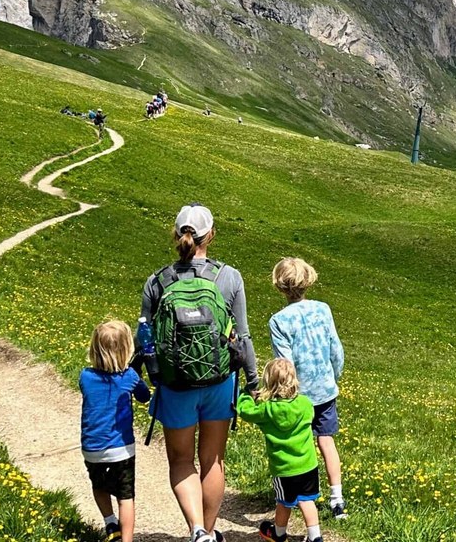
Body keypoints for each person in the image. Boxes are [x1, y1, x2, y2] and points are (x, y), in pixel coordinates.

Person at [141, 204, 258, 542]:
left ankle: (195, 530)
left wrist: (155, 375)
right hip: (219, 381)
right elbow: (244, 336)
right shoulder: (229, 277)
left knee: (180, 459)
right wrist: (252, 381)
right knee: (212, 460)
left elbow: (146, 338)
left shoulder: (157, 281)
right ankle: (208, 531)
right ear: (212, 235)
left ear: (177, 236)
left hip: (176, 385)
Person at [269, 258, 347, 519]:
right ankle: (337, 499)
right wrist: (333, 376)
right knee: (326, 440)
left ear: (279, 286)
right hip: (325, 388)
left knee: (300, 446)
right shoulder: (323, 309)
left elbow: (285, 363)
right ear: (308, 280)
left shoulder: (278, 321)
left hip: (297, 396)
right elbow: (336, 349)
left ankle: (300, 497)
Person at [237, 359, 325, 542]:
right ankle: (315, 537)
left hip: (285, 469)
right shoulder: (305, 404)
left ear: (268, 383)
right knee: (307, 500)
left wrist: (245, 395)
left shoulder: (267, 410)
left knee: (284, 503)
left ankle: (278, 533)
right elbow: (310, 415)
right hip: (308, 464)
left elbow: (245, 411)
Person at [80, 321, 151, 542]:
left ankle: (110, 523)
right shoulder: (128, 377)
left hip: (92, 447)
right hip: (121, 448)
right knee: (125, 496)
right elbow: (144, 396)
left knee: (98, 485)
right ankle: (127, 539)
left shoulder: (85, 376)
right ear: (126, 350)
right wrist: (135, 371)